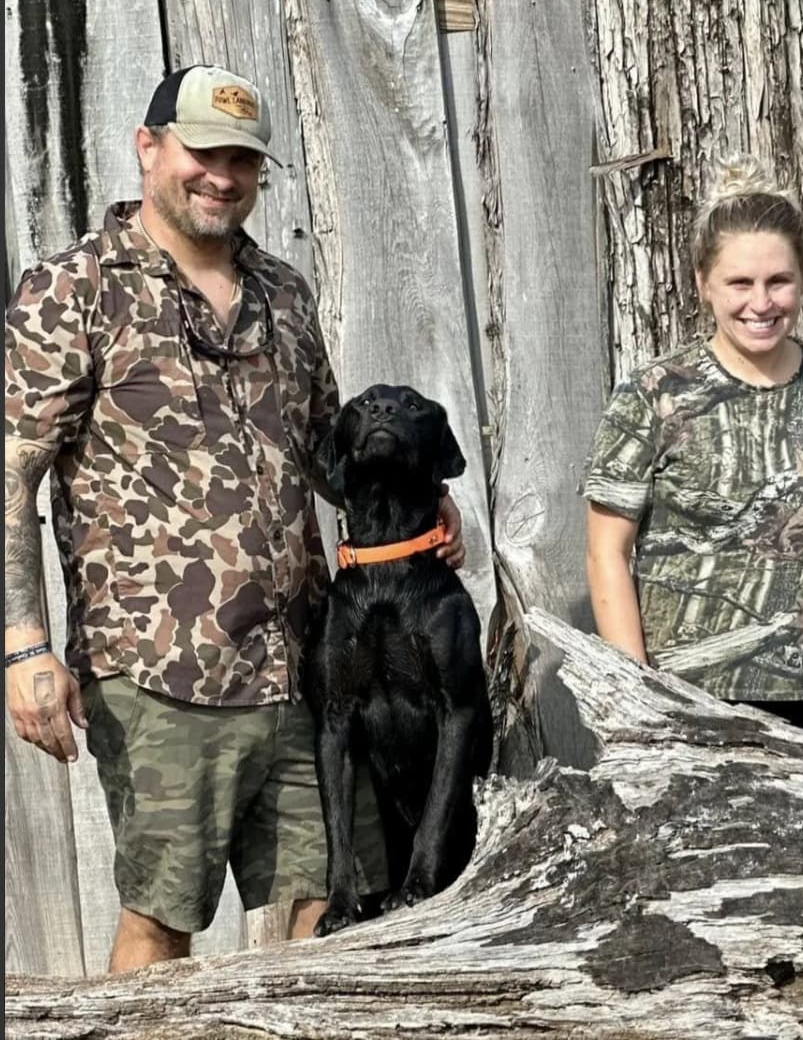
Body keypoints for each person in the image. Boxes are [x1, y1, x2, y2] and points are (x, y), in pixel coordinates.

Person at [3, 65, 465, 971]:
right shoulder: (75, 289)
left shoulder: (285, 294)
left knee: (335, 907)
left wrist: (426, 503)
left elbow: (329, 455)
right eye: (203, 152)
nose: (222, 176)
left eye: (244, 160)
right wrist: (24, 646)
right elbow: (12, 476)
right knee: (161, 921)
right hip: (160, 671)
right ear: (150, 148)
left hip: (305, 668)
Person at [582, 160, 803, 735]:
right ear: (702, 283)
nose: (761, 303)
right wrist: (637, 695)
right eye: (740, 283)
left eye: (778, 282)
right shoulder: (655, 394)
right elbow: (605, 553)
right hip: (687, 699)